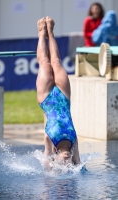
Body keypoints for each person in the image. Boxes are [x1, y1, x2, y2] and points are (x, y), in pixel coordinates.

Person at [36, 16, 80, 167]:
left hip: (47, 99)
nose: (67, 159)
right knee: (56, 62)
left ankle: (42, 32)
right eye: (69, 161)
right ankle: (51, 32)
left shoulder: (50, 140)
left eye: (63, 162)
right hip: (64, 96)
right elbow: (79, 165)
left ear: (55, 158)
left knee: (44, 63)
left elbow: (45, 162)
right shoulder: (73, 142)